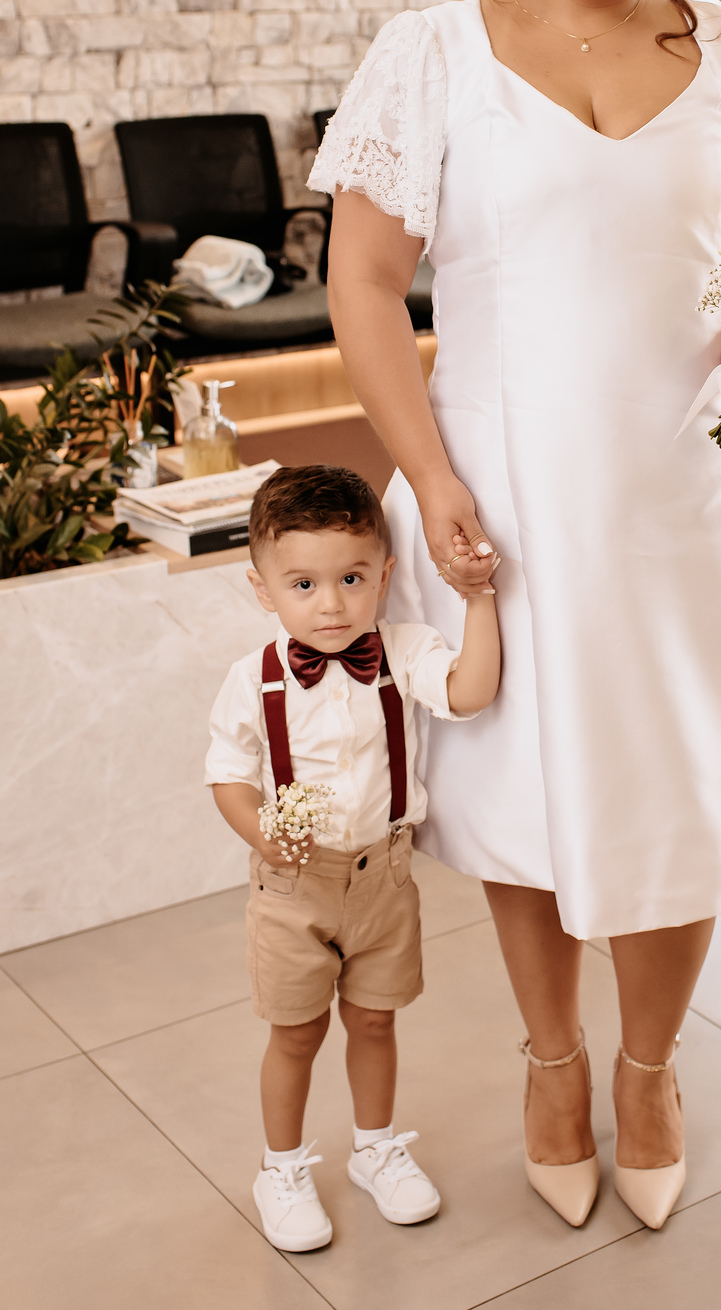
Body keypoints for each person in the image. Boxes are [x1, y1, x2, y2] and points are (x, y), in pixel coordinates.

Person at [310, 0, 721, 1232]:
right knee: (524, 791)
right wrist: (429, 475)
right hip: (506, 494)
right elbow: (364, 280)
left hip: (691, 498)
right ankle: (554, 1060)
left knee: (681, 783)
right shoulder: (431, 53)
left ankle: (651, 1069)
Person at [205, 464, 500, 1252]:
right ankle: (280, 1168)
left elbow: (470, 692)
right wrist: (262, 832)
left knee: (373, 1019)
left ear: (385, 575)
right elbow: (228, 775)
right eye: (303, 584)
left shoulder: (404, 651)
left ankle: (376, 1150)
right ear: (263, 589)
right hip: (292, 887)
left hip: (385, 878)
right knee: (296, 1031)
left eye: (352, 579)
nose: (331, 604)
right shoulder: (252, 680)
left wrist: (479, 599)